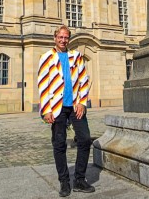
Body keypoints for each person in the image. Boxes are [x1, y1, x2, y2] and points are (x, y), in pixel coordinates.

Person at [37, 25, 95, 196]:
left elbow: (84, 80)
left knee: (84, 139)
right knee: (59, 144)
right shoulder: (46, 57)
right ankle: (64, 181)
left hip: (75, 106)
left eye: (66, 37)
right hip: (57, 107)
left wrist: (82, 103)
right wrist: (46, 110)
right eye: (60, 37)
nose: (63, 40)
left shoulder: (76, 56)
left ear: (69, 39)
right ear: (55, 38)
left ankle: (79, 179)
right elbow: (43, 84)